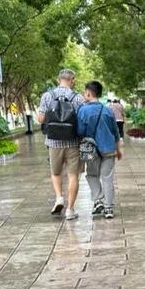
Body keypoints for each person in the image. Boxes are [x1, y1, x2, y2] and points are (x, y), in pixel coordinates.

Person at [37, 69, 85, 220]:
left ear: (59, 80)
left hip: (53, 142)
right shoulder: (78, 98)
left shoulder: (47, 96)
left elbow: (40, 119)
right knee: (73, 176)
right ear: (73, 80)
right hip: (73, 142)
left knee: (56, 172)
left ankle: (59, 197)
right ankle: (70, 210)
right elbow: (82, 120)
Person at [77, 80, 122, 220]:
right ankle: (108, 208)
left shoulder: (83, 110)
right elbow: (116, 132)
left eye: (85, 92)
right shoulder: (108, 110)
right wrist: (118, 149)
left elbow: (80, 131)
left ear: (89, 93)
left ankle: (98, 199)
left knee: (92, 175)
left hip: (91, 150)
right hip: (109, 148)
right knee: (107, 178)